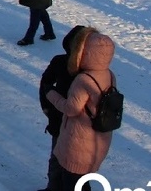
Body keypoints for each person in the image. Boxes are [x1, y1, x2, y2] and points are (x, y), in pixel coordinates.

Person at [46, 28, 117, 190]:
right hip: (98, 140)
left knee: (73, 182)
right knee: (82, 181)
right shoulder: (109, 75)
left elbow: (71, 108)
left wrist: (51, 94)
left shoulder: (83, 79)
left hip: (77, 141)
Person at [38, 25, 87, 191]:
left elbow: (45, 84)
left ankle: (54, 188)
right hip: (67, 121)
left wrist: (48, 106)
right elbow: (46, 83)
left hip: (65, 120)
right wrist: (47, 107)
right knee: (70, 162)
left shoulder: (85, 69)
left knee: (61, 160)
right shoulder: (63, 62)